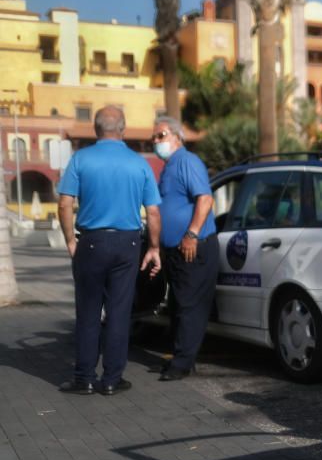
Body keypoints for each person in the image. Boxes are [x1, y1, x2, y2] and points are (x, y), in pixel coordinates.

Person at [57, 106, 162, 396]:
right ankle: (113, 378)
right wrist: (153, 247)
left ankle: (85, 378)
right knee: (119, 312)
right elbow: (153, 212)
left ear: (96, 129)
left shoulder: (80, 159)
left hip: (91, 242)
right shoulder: (139, 163)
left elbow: (65, 204)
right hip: (127, 243)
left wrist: (70, 240)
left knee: (89, 312)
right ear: (123, 129)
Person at [151, 116, 219, 381]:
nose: (156, 142)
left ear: (177, 137)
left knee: (190, 307)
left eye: (161, 135)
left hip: (194, 247)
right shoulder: (169, 167)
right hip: (176, 251)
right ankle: (181, 358)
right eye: (154, 138)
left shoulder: (187, 162)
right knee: (179, 305)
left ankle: (181, 364)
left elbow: (205, 198)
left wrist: (191, 234)